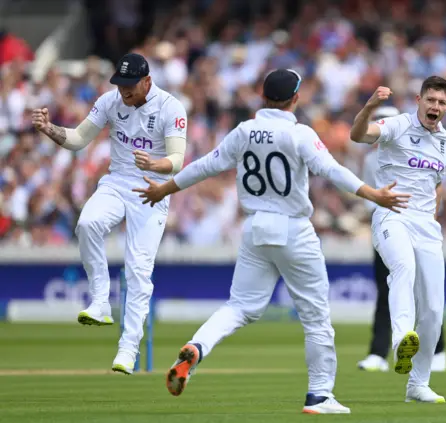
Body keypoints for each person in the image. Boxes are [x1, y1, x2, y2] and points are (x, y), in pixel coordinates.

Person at [134, 68, 410, 414]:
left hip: (254, 228)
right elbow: (332, 170)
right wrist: (373, 194)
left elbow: (204, 166)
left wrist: (163, 188)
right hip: (294, 228)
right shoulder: (299, 133)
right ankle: (320, 395)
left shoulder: (244, 131)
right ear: (295, 98)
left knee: (239, 306)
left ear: (263, 97)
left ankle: (197, 346)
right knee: (316, 318)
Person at [31, 53, 188, 374]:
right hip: (117, 181)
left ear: (147, 81)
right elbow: (77, 139)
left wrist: (154, 165)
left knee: (138, 269)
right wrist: (49, 128)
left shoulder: (171, 107)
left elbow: (177, 160)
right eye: (121, 84)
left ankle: (128, 349)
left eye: (131, 85)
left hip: (154, 189)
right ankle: (101, 300)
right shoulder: (109, 101)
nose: (124, 91)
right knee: (87, 223)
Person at [349, 76, 446, 403]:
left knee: (435, 309)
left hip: (426, 226)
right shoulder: (398, 124)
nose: (434, 106)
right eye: (430, 100)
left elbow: (434, 182)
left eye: (441, 102)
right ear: (419, 100)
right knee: (403, 269)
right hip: (391, 214)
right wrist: (370, 106)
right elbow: (357, 135)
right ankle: (400, 340)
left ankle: (417, 386)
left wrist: (433, 212)